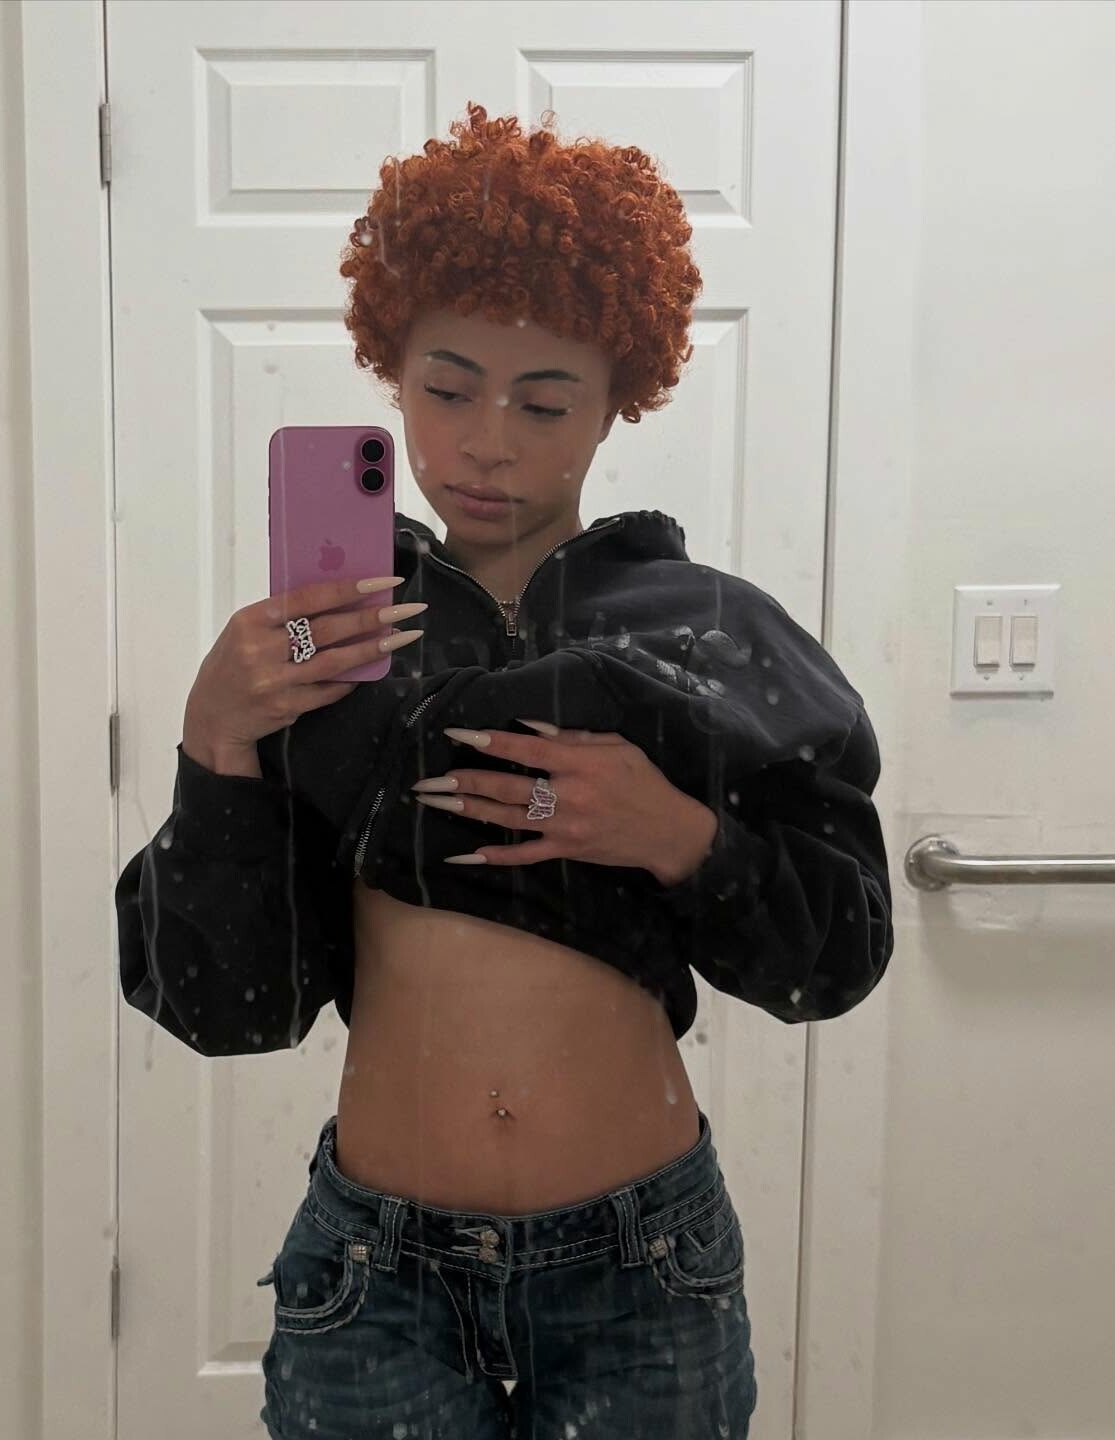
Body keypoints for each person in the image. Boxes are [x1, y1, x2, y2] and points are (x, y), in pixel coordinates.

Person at [117, 102, 894, 1439]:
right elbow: (227, 1007)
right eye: (446, 388)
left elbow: (836, 959)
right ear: (390, 373)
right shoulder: (324, 647)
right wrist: (215, 740)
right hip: (378, 1278)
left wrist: (677, 836)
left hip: (646, 1270)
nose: (488, 441)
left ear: (615, 403)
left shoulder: (712, 632)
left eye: (544, 401)